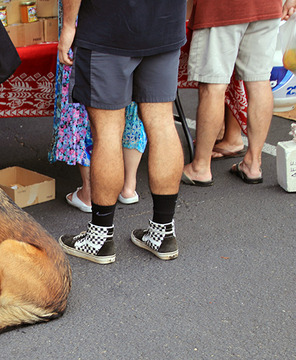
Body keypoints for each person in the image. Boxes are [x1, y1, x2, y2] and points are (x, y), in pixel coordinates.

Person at [57, 0, 186, 264]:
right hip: (165, 23)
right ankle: (163, 232)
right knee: (162, 124)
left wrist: (69, 25)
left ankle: (100, 237)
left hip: (108, 27)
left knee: (107, 132)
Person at [181, 0, 296, 186]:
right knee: (259, 80)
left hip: (220, 9)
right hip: (267, 6)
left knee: (213, 85)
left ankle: (200, 167)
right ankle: (253, 163)